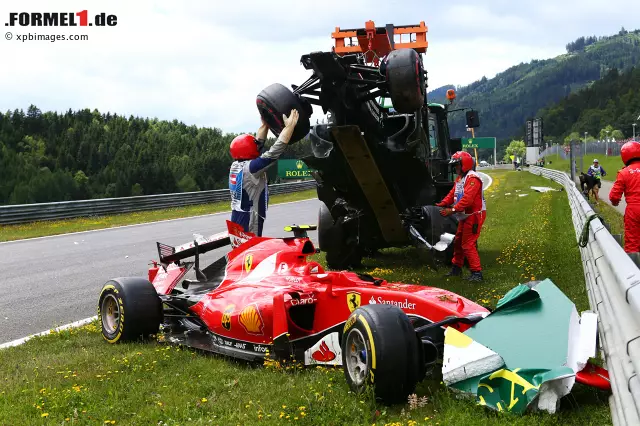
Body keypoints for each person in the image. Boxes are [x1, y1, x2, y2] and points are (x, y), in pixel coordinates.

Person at [228, 109, 299, 236]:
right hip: (249, 218)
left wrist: (266, 124)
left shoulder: (236, 165)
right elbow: (274, 153)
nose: (257, 146)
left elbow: (258, 143)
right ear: (248, 150)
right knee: (250, 251)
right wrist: (289, 127)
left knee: (239, 251)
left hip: (237, 215)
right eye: (254, 145)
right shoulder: (251, 169)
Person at [436, 151, 487, 282]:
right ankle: (456, 268)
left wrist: (451, 210)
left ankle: (477, 273)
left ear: (464, 164)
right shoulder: (460, 179)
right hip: (464, 216)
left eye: (457, 165)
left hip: (474, 215)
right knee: (458, 242)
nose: (455, 168)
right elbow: (452, 193)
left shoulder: (473, 179)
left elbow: (467, 200)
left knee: (468, 244)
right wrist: (441, 204)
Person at [609, 141, 640, 253]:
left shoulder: (624, 172)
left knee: (632, 242)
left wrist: (615, 202)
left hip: (633, 211)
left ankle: (634, 268)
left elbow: (613, 196)